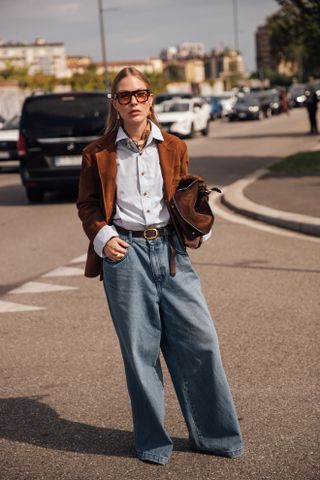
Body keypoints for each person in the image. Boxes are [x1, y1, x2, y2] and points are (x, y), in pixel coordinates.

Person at [77, 67, 243, 465]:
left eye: (140, 94)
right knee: (141, 352)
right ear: (114, 104)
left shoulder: (173, 146)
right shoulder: (97, 153)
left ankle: (215, 435)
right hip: (125, 255)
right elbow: (87, 206)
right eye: (124, 96)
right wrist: (103, 236)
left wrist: (195, 230)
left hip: (170, 252)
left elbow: (185, 195)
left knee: (201, 342)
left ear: (150, 99)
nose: (133, 101)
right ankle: (153, 441)